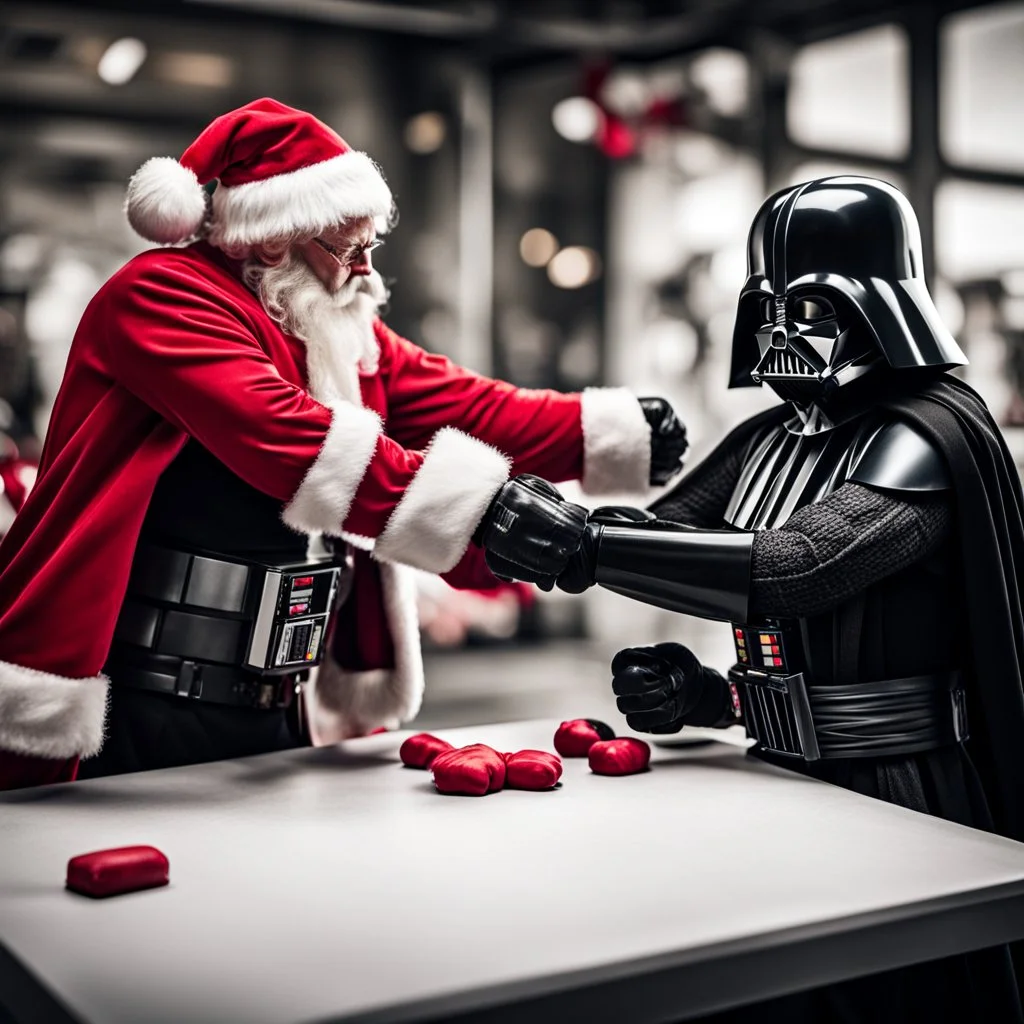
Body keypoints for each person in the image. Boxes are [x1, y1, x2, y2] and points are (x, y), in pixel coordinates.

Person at [0, 97, 688, 791]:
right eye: (347, 248)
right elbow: (288, 440)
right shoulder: (159, 296)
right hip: (142, 702)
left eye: (369, 247)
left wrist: (607, 431)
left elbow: (462, 403)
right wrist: (483, 510)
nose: (364, 270)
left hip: (276, 697)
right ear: (275, 237)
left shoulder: (327, 324)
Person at [484, 177, 1023, 1021]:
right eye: (767, 306)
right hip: (778, 773)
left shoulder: (923, 437)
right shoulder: (767, 438)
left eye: (810, 307)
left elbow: (798, 569)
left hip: (899, 790)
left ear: (880, 307)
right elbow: (668, 533)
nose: (780, 331)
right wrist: (717, 696)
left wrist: (588, 545)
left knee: (890, 1002)